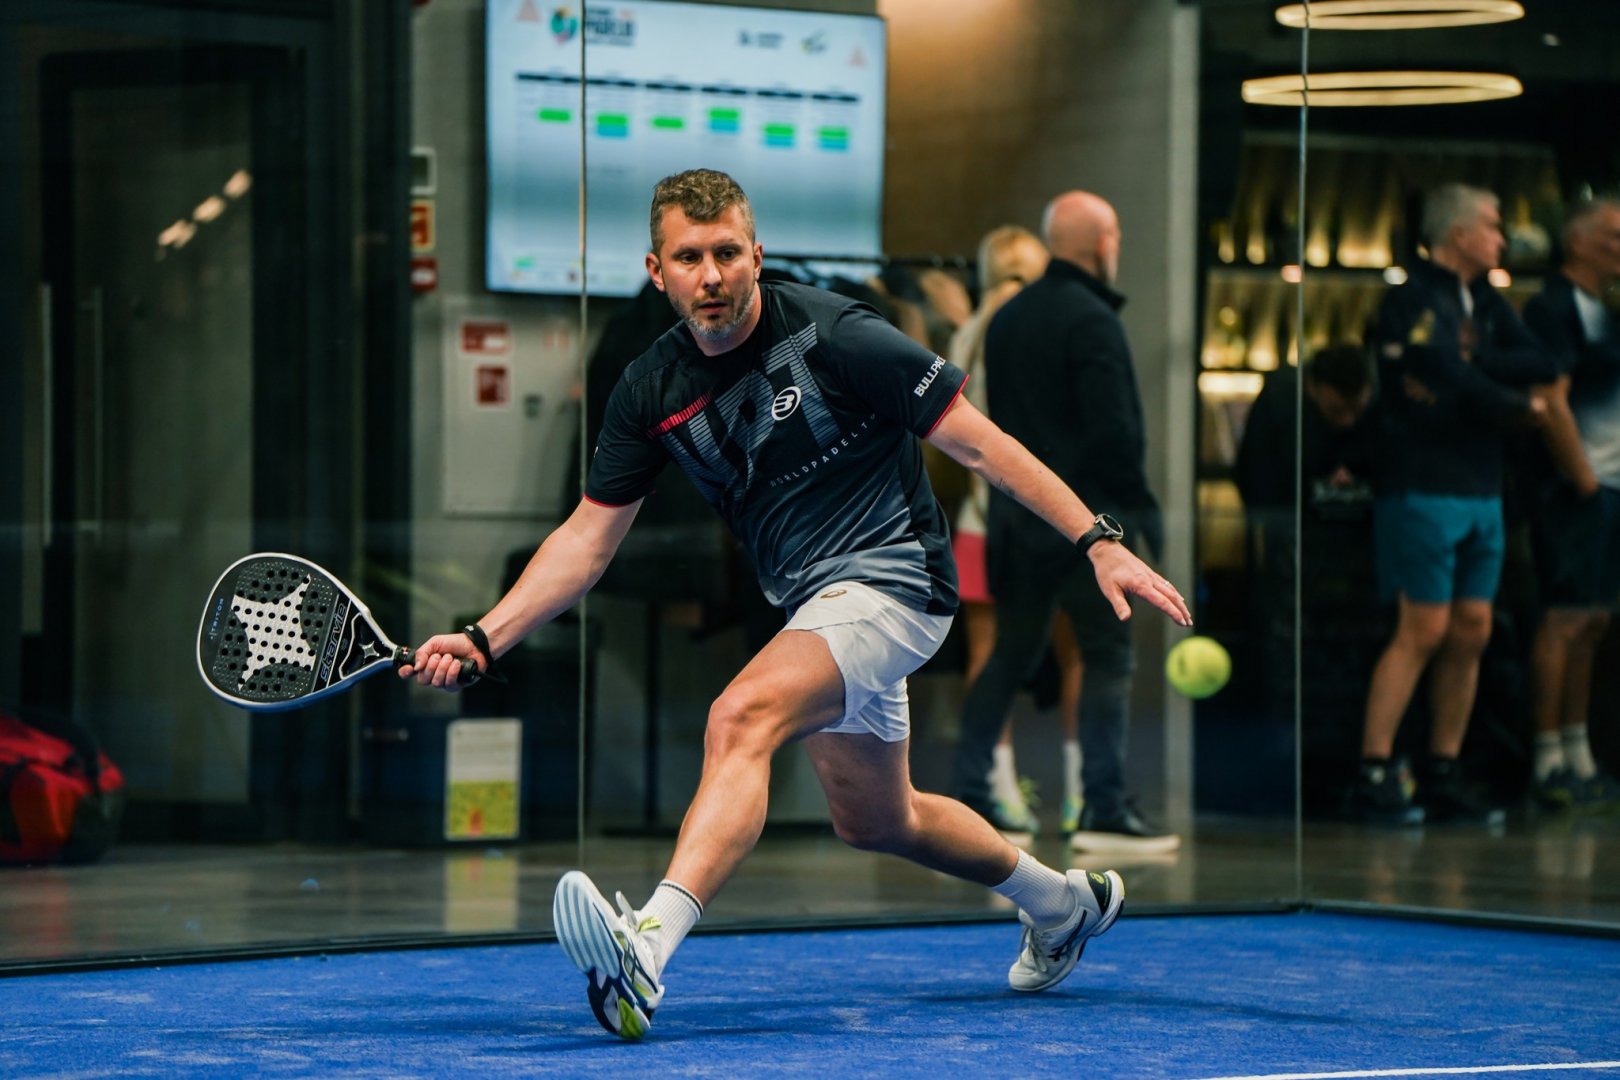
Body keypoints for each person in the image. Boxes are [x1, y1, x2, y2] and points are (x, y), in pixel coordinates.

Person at [401, 170, 1192, 1040]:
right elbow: (587, 541)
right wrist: (485, 637)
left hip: (898, 578)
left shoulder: (838, 333)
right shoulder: (650, 388)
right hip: (815, 605)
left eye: (727, 254)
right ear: (657, 271)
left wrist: (1098, 539)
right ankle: (1065, 904)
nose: (711, 276)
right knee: (880, 819)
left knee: (740, 715)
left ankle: (646, 951)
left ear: (757, 255)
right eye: (689, 258)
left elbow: (982, 445)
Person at [949, 191, 1177, 856]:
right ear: (1104, 244)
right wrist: (1139, 516)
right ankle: (1104, 807)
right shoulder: (1093, 320)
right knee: (1107, 656)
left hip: (1019, 520)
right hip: (1089, 525)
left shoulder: (1009, 318)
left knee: (1009, 655)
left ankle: (969, 791)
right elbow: (1116, 433)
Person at [1355, 182, 1555, 826]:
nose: (1503, 238)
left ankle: (1444, 766)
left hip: (1482, 484)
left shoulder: (1486, 301)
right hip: (1423, 482)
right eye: (1493, 226)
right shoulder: (1411, 296)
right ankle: (1376, 768)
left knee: (1473, 626)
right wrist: (1514, 403)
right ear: (1461, 234)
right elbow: (1438, 369)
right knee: (1423, 628)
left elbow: (1537, 358)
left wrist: (1474, 363)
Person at [946, 225, 1078, 842]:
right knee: (1074, 650)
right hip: (1047, 515)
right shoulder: (1045, 326)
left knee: (988, 656)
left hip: (980, 516)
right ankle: (1083, 795)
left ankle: (997, 792)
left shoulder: (968, 332)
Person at [1523, 198, 1620, 811]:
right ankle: (1547, 758)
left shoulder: (1607, 309)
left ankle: (1579, 752)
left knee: (1594, 622)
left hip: (1610, 487)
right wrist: (1582, 478)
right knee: (1563, 620)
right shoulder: (1553, 307)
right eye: (1613, 237)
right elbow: (1549, 399)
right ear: (1578, 242)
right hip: (1576, 489)